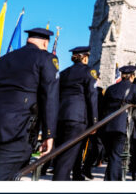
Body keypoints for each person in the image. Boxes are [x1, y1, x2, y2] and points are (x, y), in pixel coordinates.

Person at [0, 27, 60, 181]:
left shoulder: (3, 59)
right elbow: (50, 97)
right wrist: (49, 134)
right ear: (45, 42)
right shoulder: (46, 58)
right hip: (15, 129)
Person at [52, 46, 98, 181]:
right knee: (66, 159)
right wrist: (94, 121)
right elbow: (92, 97)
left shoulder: (64, 73)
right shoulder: (89, 72)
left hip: (61, 117)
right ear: (84, 57)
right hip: (76, 118)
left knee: (64, 154)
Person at [100, 65, 136, 181]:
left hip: (106, 126)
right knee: (116, 156)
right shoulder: (135, 88)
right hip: (121, 126)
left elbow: (102, 107)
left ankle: (110, 178)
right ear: (132, 76)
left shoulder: (110, 88)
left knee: (112, 155)